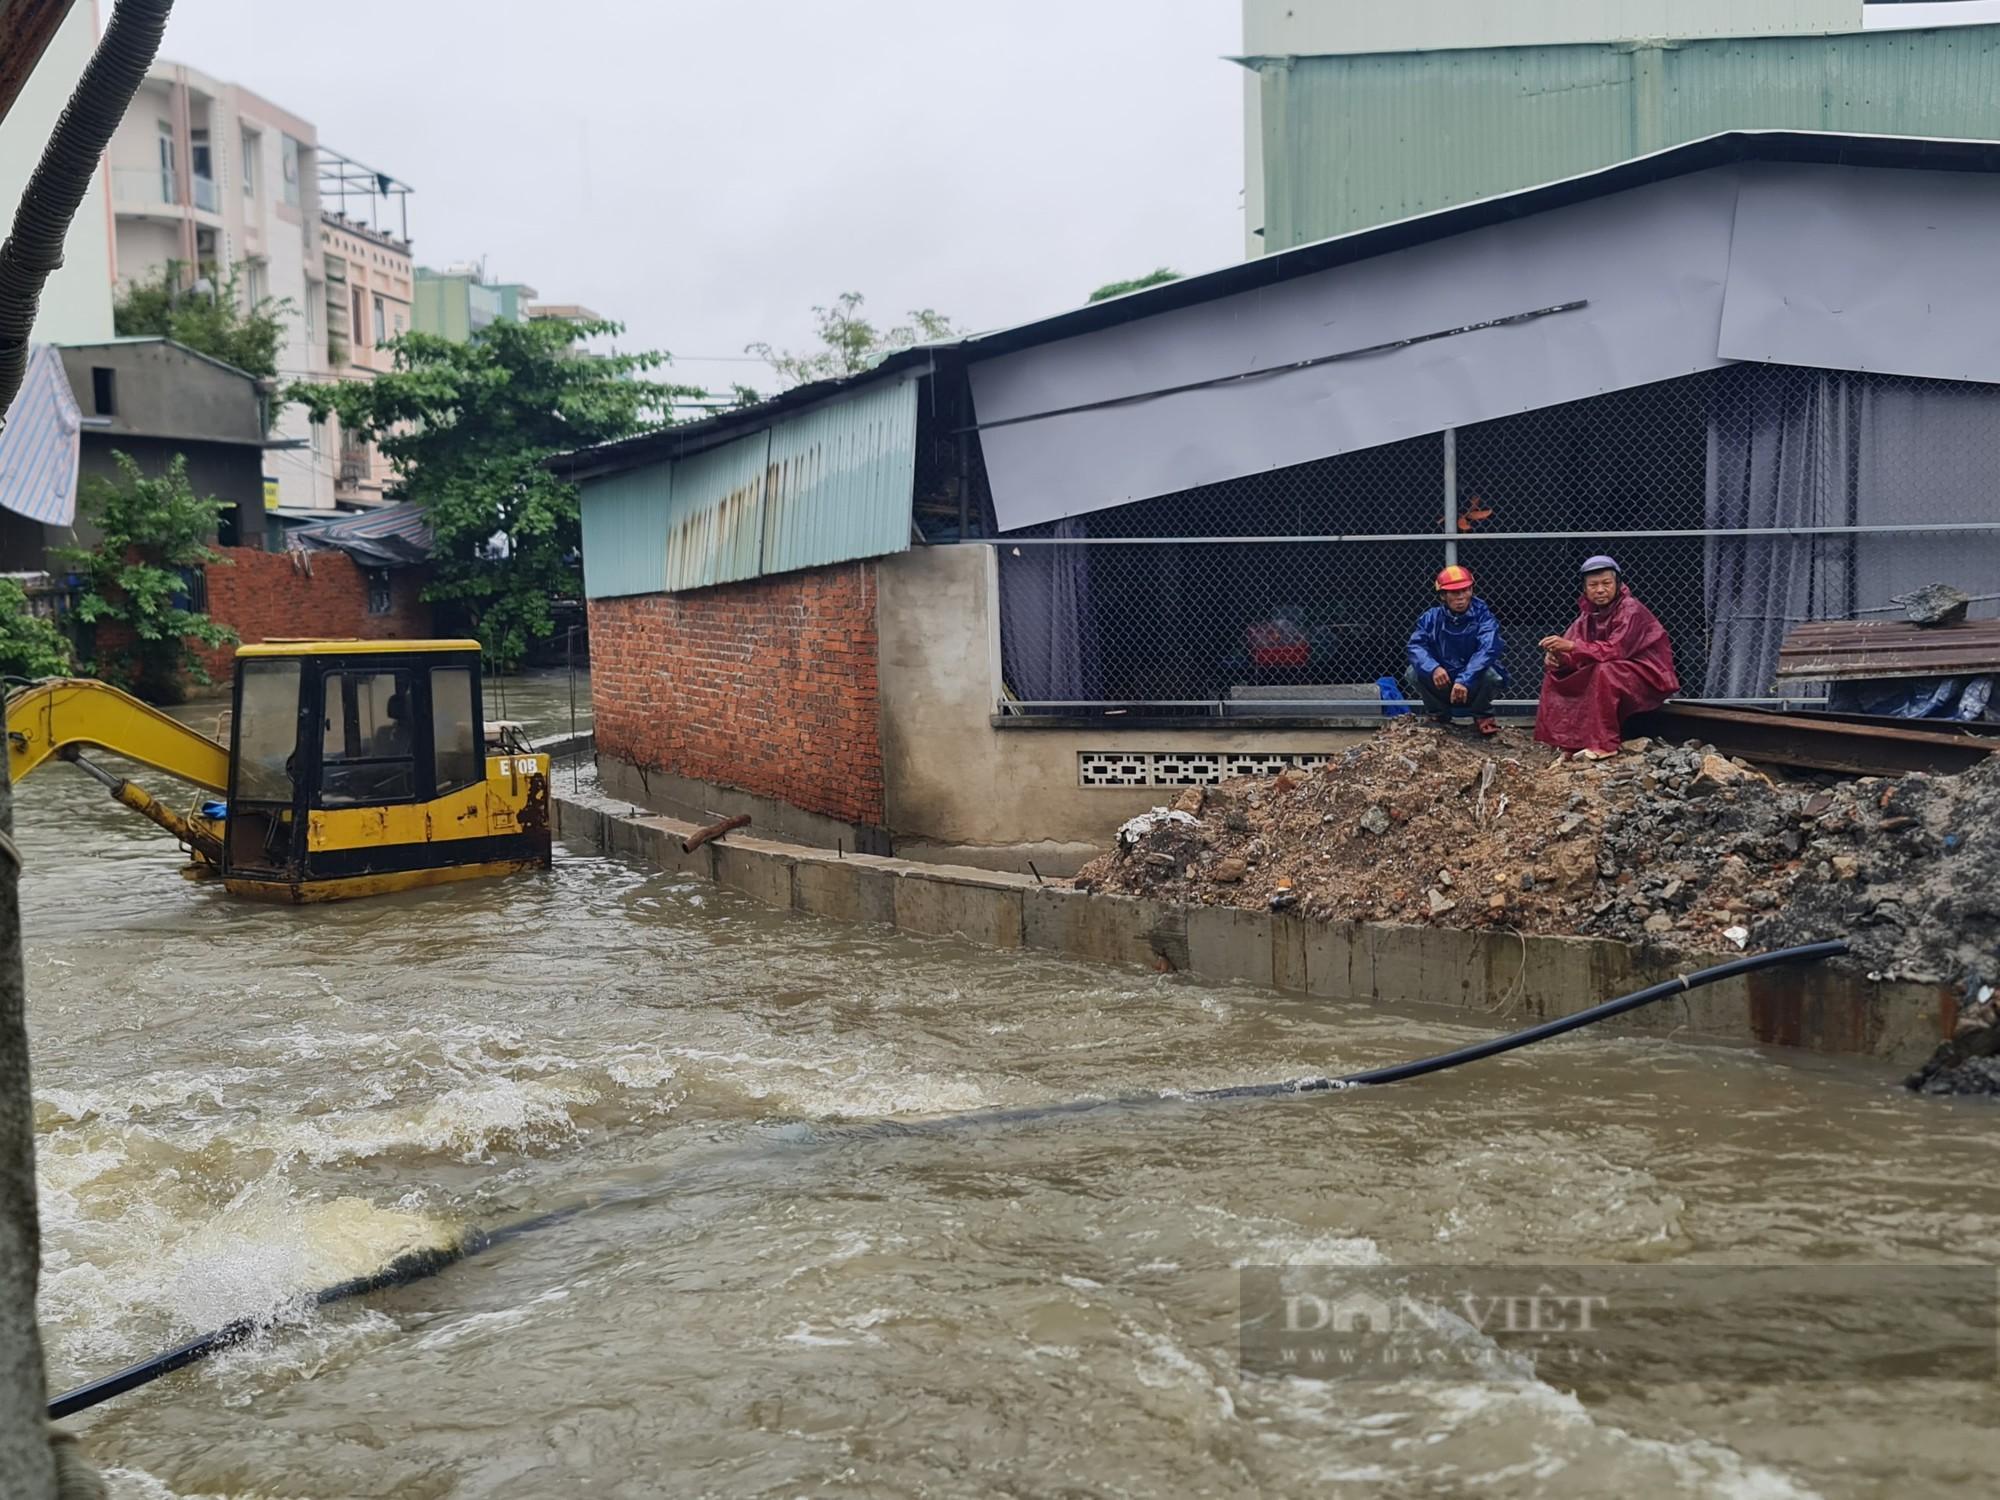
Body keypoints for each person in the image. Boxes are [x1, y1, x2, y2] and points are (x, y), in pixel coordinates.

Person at [1534, 555, 1679, 759]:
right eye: (1593, 585)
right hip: (1614, 670)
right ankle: (1571, 743)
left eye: (1606, 583)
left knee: (1604, 670)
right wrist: (1558, 658)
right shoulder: (1587, 617)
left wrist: (1572, 646)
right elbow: (1576, 652)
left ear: (1617, 584)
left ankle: (1605, 744)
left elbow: (1615, 650)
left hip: (1648, 675)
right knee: (1558, 675)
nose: (1600, 590)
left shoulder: (1631, 609)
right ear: (1584, 589)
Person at [1403, 564, 1508, 737]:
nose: (1460, 597)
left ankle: (1483, 715)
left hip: (1473, 681)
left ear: (1471, 591)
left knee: (1491, 675)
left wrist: (1465, 679)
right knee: (1413, 672)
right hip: (1442, 680)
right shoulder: (1430, 618)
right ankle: (1437, 714)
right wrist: (1433, 668)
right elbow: (1416, 646)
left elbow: (1488, 649)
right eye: (1454, 593)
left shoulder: (1484, 618)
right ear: (1443, 595)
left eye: (1464, 591)